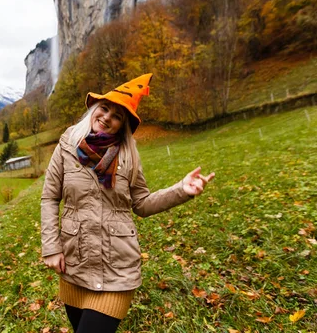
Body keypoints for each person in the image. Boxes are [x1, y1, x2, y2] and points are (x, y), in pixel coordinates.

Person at [40, 73, 215, 333]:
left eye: (117, 115)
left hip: (117, 267)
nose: (107, 117)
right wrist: (51, 246)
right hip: (75, 262)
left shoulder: (128, 156)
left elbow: (142, 203)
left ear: (123, 125)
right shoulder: (67, 145)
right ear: (94, 109)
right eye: (105, 108)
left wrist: (182, 190)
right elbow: (50, 196)